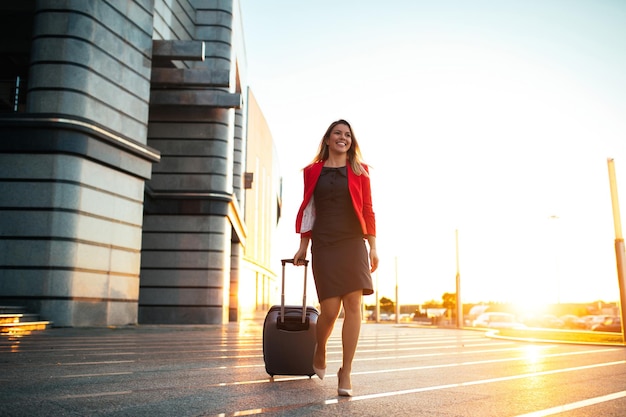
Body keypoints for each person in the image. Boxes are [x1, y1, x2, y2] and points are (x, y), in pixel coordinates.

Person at [293, 119, 379, 397]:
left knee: (353, 304)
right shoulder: (312, 171)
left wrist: (373, 247)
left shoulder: (361, 172)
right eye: (337, 134)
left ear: (351, 142)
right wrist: (303, 246)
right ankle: (320, 349)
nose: (343, 138)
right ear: (328, 139)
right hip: (325, 241)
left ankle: (346, 371)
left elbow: (368, 209)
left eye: (347, 135)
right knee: (329, 310)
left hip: (353, 240)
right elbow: (309, 207)